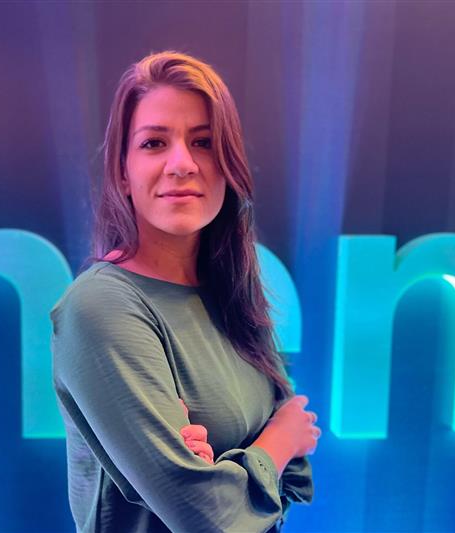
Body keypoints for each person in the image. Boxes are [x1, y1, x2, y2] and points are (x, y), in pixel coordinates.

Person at [50, 50, 320, 533]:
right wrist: (274, 445)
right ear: (123, 173)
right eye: (154, 143)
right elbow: (204, 516)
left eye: (203, 142)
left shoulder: (230, 290)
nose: (182, 163)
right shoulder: (101, 306)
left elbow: (294, 435)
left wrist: (226, 467)